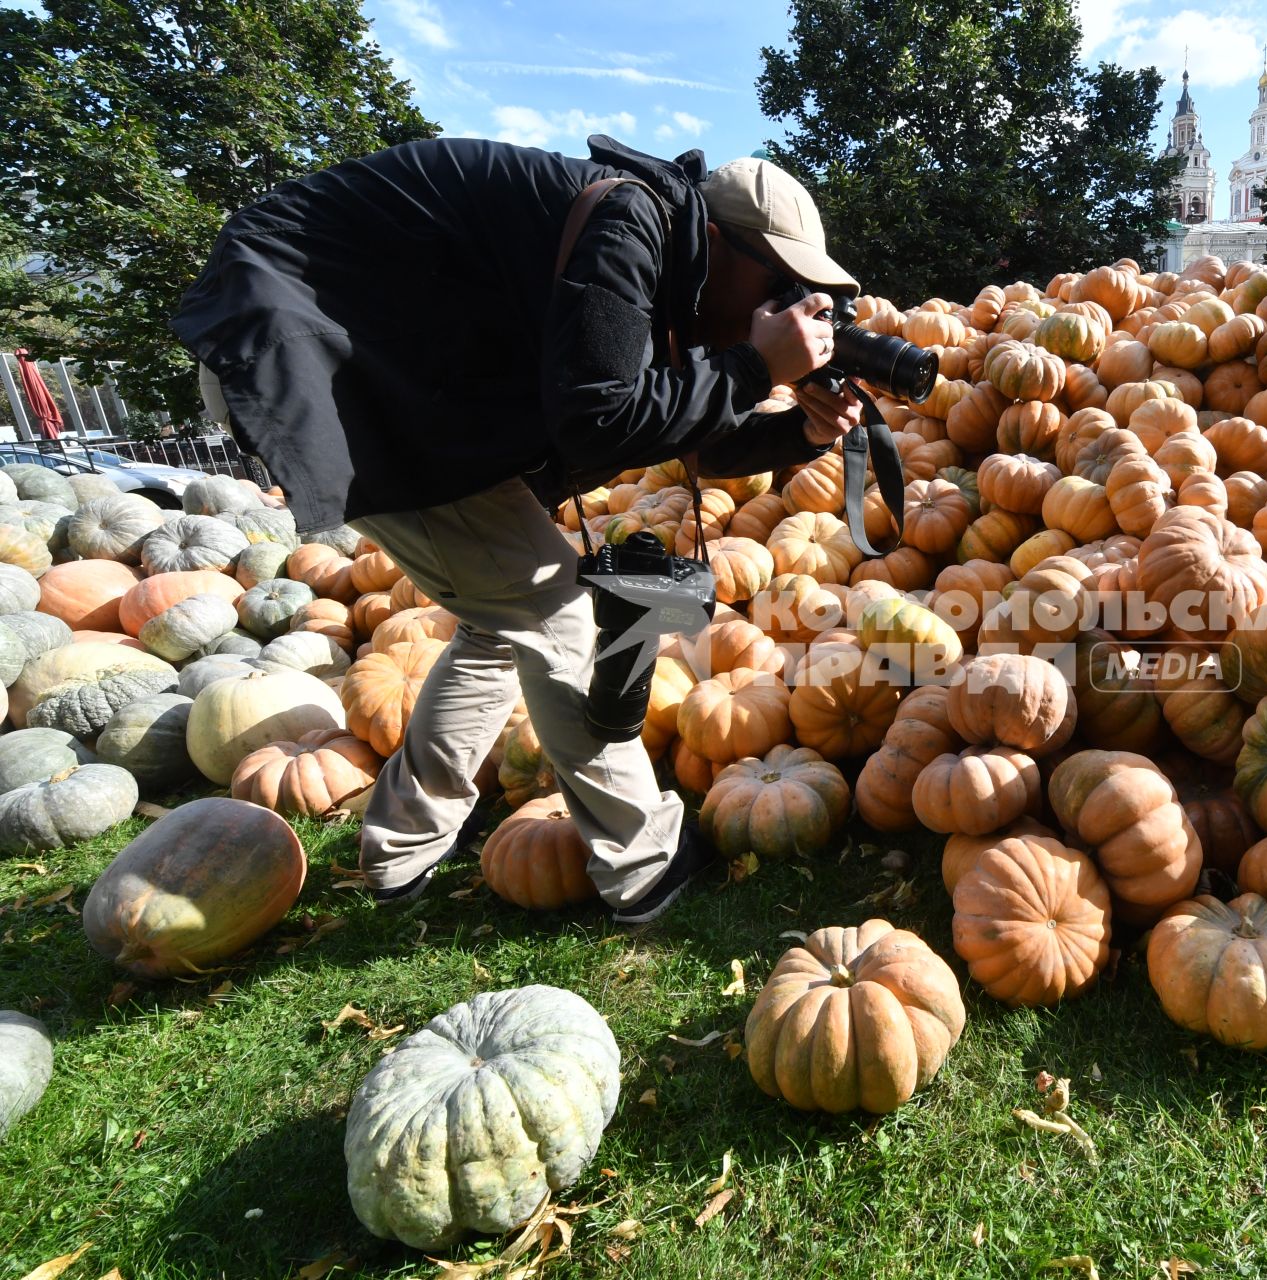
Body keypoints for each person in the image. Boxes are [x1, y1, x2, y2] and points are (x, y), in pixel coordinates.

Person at [173, 134, 863, 923]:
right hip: (321, 360)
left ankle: (401, 846)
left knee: (500, 623)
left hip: (397, 380)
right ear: (718, 242)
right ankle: (643, 863)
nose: (784, 304)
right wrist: (752, 371)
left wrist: (797, 433)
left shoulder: (671, 265)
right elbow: (599, 420)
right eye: (778, 281)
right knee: (553, 611)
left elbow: (666, 428)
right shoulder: (632, 224)